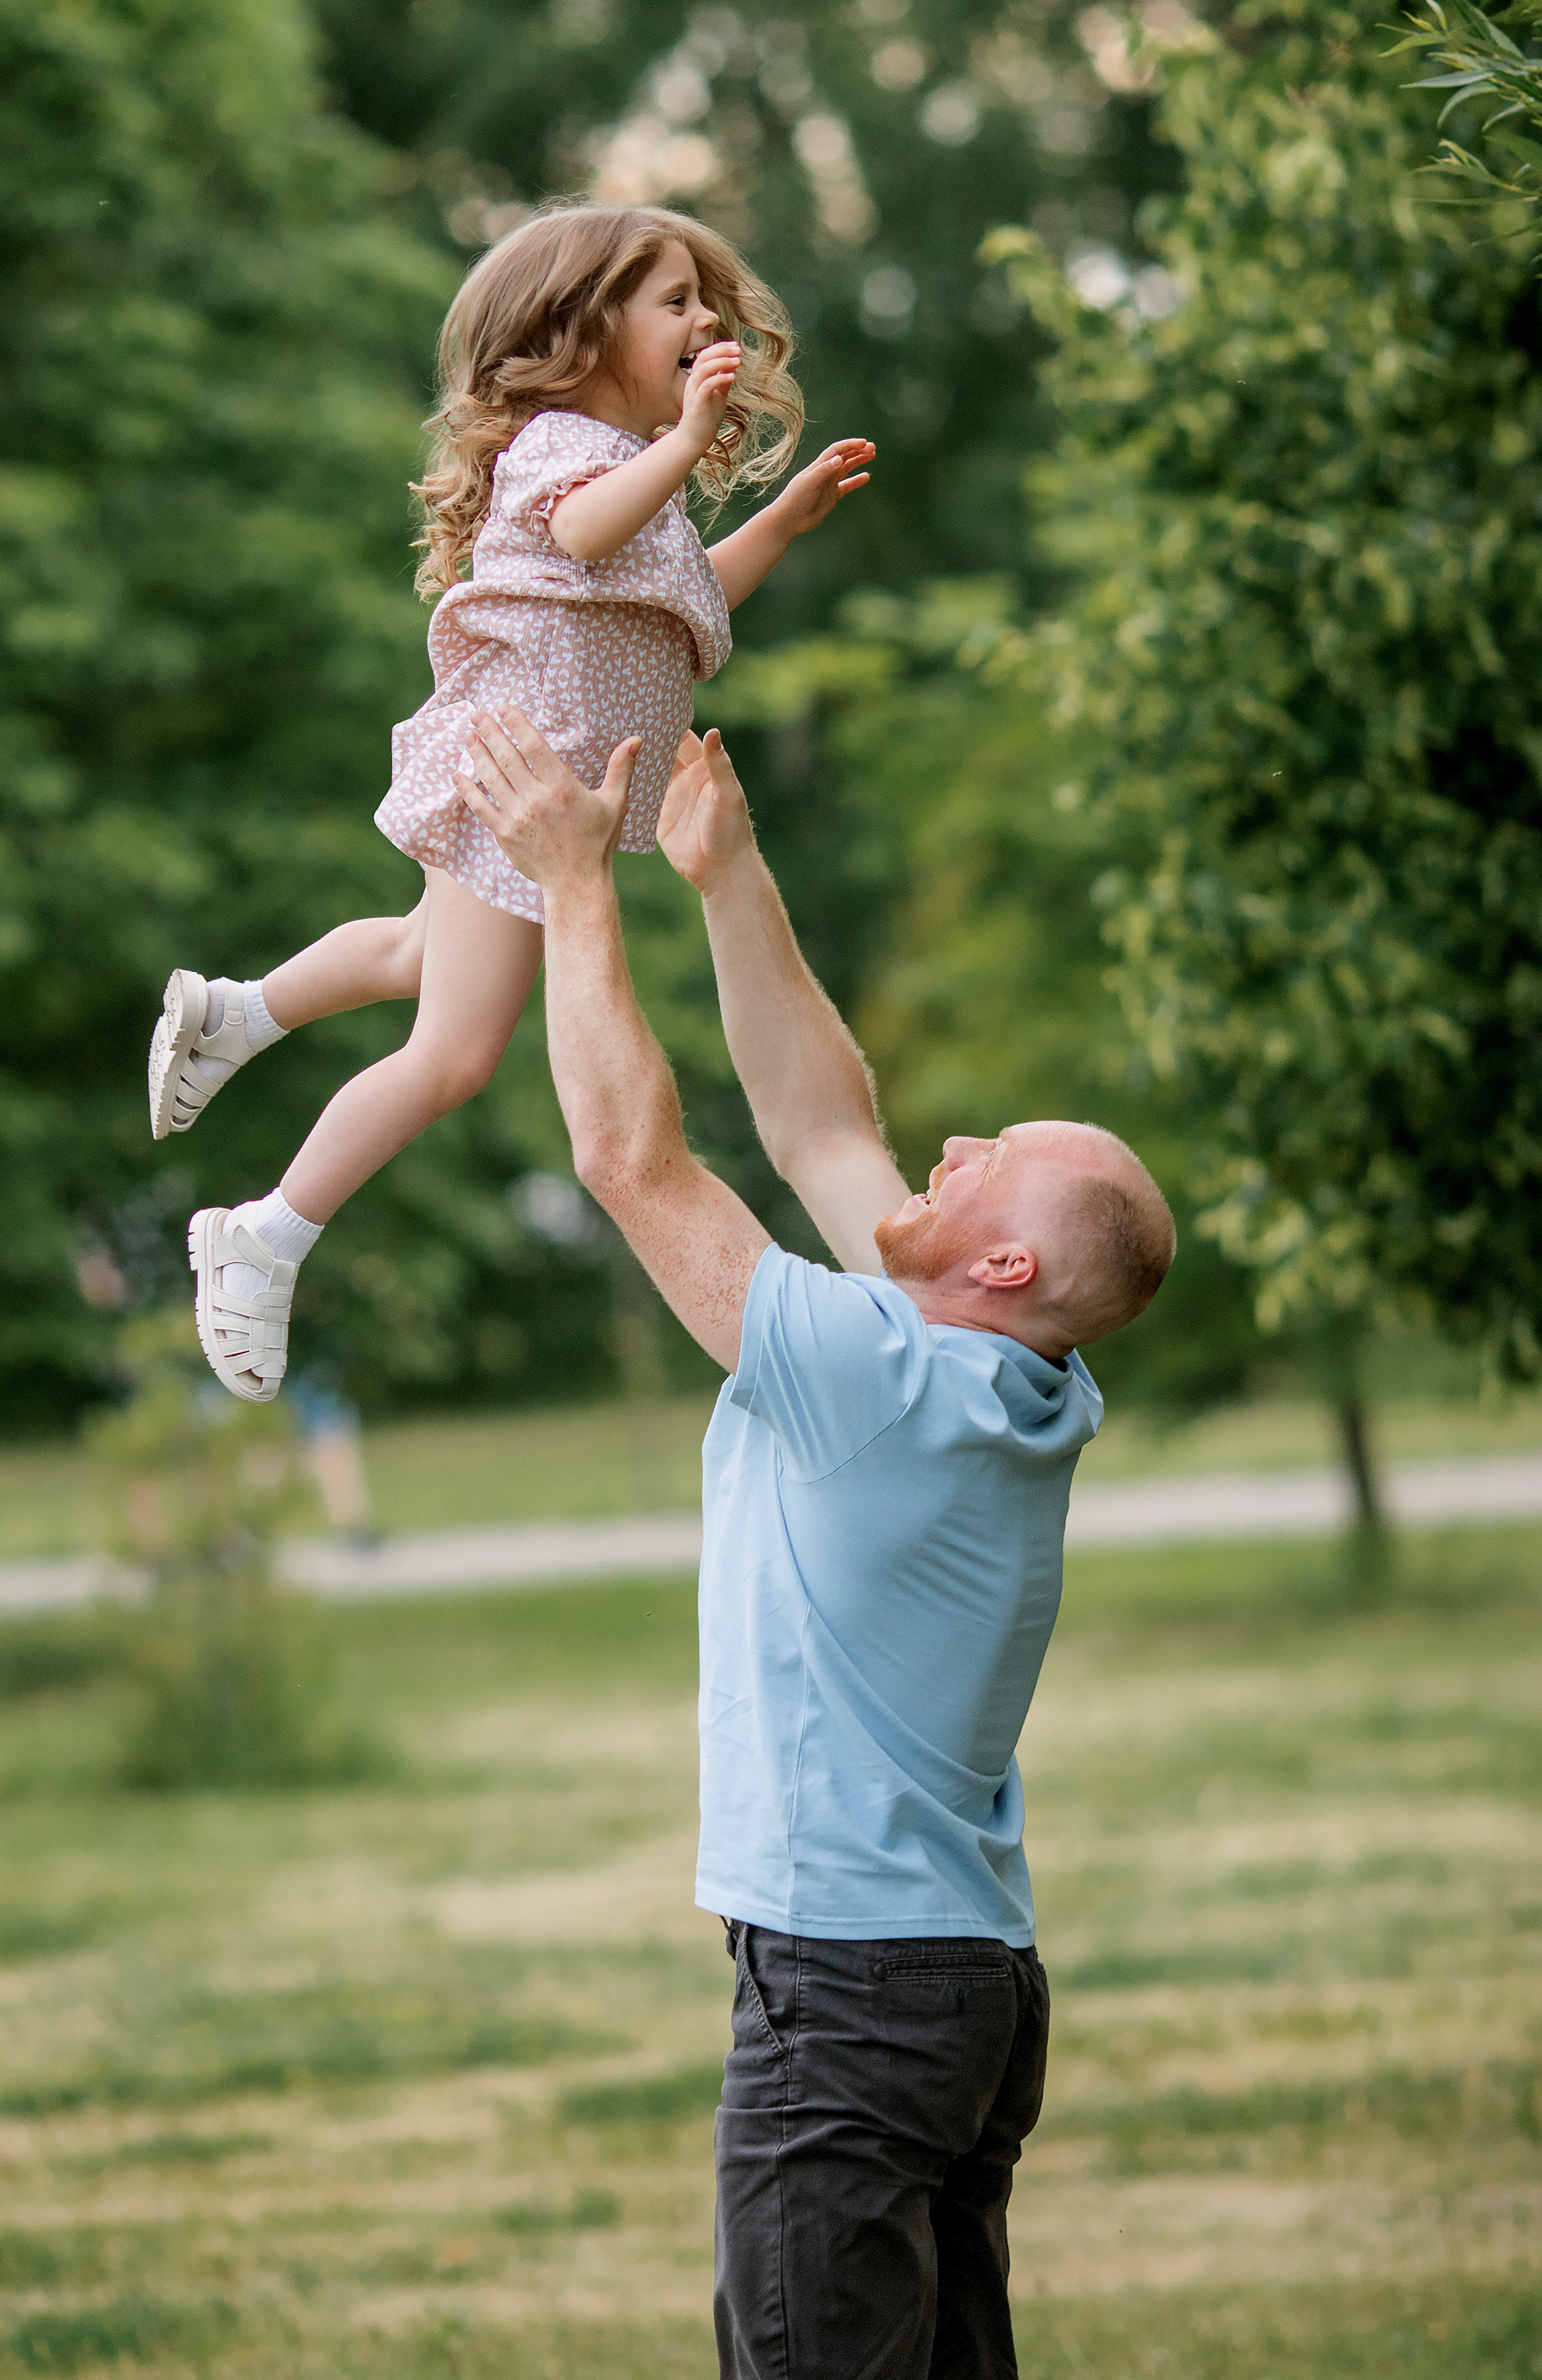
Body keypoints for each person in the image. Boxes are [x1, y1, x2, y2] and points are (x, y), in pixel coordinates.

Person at [458, 705, 1177, 2380]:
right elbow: (818, 1123)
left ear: (996, 1266)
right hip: (959, 1981)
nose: (954, 1144)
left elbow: (632, 1160)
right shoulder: (1004, 1375)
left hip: (853, 1993)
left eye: (992, 1161)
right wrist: (726, 876)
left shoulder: (881, 1375)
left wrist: (575, 885)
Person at [144, 201, 873, 1405]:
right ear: (580, 333)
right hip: (520, 782)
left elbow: (687, 612)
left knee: (413, 953)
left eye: (704, 301)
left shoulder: (638, 488)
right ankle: (262, 1236)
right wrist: (690, 437)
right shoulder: (560, 449)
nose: (701, 322)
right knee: (455, 1053)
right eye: (673, 302)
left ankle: (234, 1013)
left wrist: (780, 520)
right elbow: (589, 531)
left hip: (523, 779)